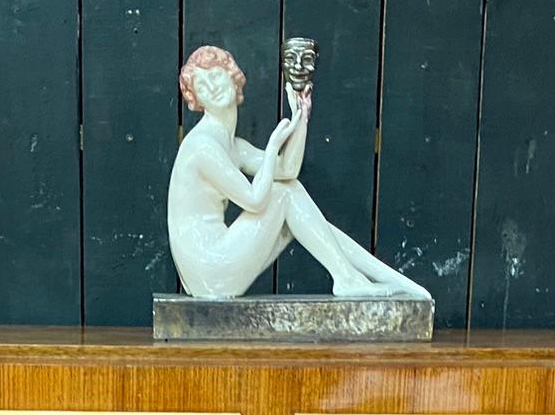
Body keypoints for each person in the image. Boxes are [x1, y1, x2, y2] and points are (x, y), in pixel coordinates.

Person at [167, 45, 429, 301]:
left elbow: (287, 170)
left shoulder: (232, 145)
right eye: (202, 86)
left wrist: (301, 115)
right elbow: (255, 199)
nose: (212, 88)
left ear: (232, 77)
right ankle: (349, 278)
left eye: (215, 77)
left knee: (296, 209)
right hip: (210, 268)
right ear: (196, 100)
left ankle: (378, 278)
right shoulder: (203, 146)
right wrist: (272, 147)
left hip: (215, 267)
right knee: (284, 195)